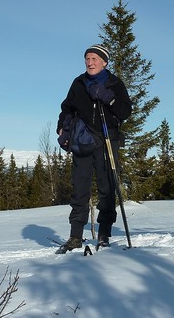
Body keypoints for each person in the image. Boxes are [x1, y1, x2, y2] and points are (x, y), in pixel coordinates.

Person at [56, 44, 132, 253]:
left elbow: (125, 111)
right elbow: (67, 108)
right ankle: (75, 236)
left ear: (104, 62)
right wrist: (62, 128)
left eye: (94, 59)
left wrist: (109, 98)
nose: (90, 62)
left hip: (108, 139)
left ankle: (104, 233)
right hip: (82, 140)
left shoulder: (114, 83)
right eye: (87, 59)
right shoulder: (78, 83)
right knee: (80, 188)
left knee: (107, 187)